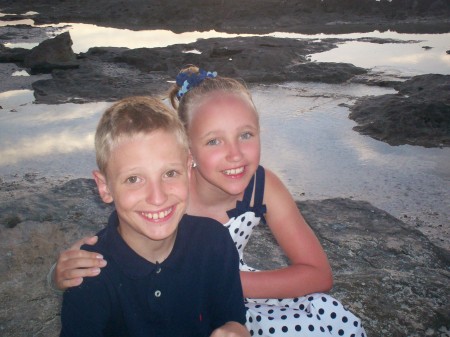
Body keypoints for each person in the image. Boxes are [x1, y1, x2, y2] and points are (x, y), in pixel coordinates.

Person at [51, 68, 367, 337]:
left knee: (323, 319)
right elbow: (125, 235)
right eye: (214, 140)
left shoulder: (262, 187)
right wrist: (57, 271)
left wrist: (223, 281)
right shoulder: (170, 193)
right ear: (186, 152)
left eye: (246, 135)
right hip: (189, 288)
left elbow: (319, 275)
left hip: (226, 287)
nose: (234, 154)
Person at [59, 96, 249, 337]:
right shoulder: (89, 275)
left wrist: (235, 330)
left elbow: (233, 318)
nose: (157, 197)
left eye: (170, 173)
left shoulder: (215, 242)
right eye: (133, 179)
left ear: (188, 169)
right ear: (105, 187)